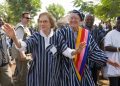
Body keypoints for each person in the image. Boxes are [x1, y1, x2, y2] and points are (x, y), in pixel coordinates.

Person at [2, 12, 86, 86]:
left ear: (51, 23)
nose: (42, 24)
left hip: (53, 77)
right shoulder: (36, 37)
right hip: (37, 76)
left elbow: (66, 51)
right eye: (40, 21)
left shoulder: (57, 37)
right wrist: (14, 38)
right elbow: (23, 46)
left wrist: (76, 51)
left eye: (45, 21)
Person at [59, 10, 120, 86]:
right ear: (69, 20)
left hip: (83, 70)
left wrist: (110, 61)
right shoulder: (61, 33)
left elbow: (94, 51)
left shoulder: (86, 34)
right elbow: (60, 48)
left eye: (76, 18)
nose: (73, 20)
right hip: (66, 69)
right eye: (71, 18)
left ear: (81, 21)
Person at [11, 12, 32, 86]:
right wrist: (22, 53)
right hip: (21, 54)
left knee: (20, 73)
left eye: (29, 18)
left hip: (23, 54)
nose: (28, 19)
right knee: (24, 75)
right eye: (26, 18)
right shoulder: (21, 27)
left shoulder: (25, 27)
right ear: (22, 18)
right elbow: (18, 41)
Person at [103, 16, 120, 86]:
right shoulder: (110, 34)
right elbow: (106, 47)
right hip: (113, 65)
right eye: (119, 22)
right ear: (117, 23)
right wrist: (118, 49)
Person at [0, 17, 13, 86]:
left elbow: (6, 47)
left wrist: (9, 60)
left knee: (9, 83)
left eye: (1, 20)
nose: (1, 22)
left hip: (4, 65)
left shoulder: (3, 33)